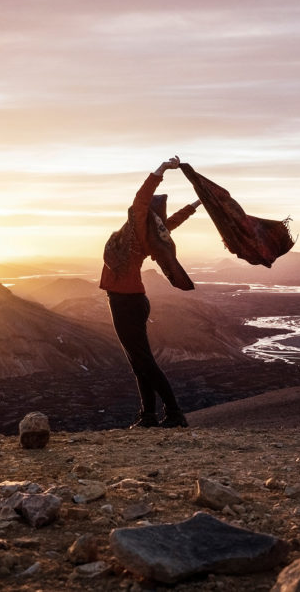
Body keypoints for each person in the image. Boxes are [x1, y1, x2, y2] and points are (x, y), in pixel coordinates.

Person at [99, 156, 201, 428]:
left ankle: (174, 413)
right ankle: (148, 416)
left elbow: (142, 196)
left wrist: (161, 170)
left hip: (125, 301)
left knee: (143, 362)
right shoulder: (151, 235)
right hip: (133, 301)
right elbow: (172, 223)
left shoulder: (136, 227)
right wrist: (195, 205)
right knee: (139, 362)